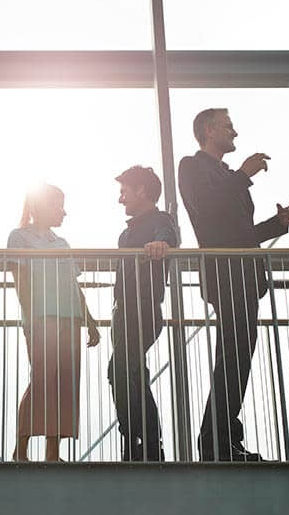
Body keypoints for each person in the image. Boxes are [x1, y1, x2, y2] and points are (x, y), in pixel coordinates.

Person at [178, 108, 289, 462]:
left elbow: (238, 233)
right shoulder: (193, 166)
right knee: (232, 356)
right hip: (227, 274)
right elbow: (207, 209)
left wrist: (276, 224)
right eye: (229, 126)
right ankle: (216, 441)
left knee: (238, 358)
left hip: (243, 274)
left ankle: (222, 437)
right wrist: (244, 174)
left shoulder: (227, 176)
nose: (235, 132)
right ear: (209, 130)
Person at [7, 184, 100, 462]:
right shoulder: (19, 237)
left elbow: (73, 284)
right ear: (39, 207)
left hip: (70, 317)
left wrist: (90, 320)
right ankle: (20, 451)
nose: (64, 212)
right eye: (57, 205)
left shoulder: (62, 243)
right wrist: (30, 315)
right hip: (41, 317)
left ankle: (52, 453)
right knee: (42, 380)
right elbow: (19, 278)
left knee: (65, 383)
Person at [110, 166, 179, 462]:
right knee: (131, 373)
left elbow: (169, 235)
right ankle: (145, 443)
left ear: (141, 190)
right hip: (122, 311)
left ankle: (143, 442)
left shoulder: (160, 220)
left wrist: (161, 243)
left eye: (124, 191)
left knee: (121, 371)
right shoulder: (126, 232)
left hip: (144, 309)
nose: (120, 199)